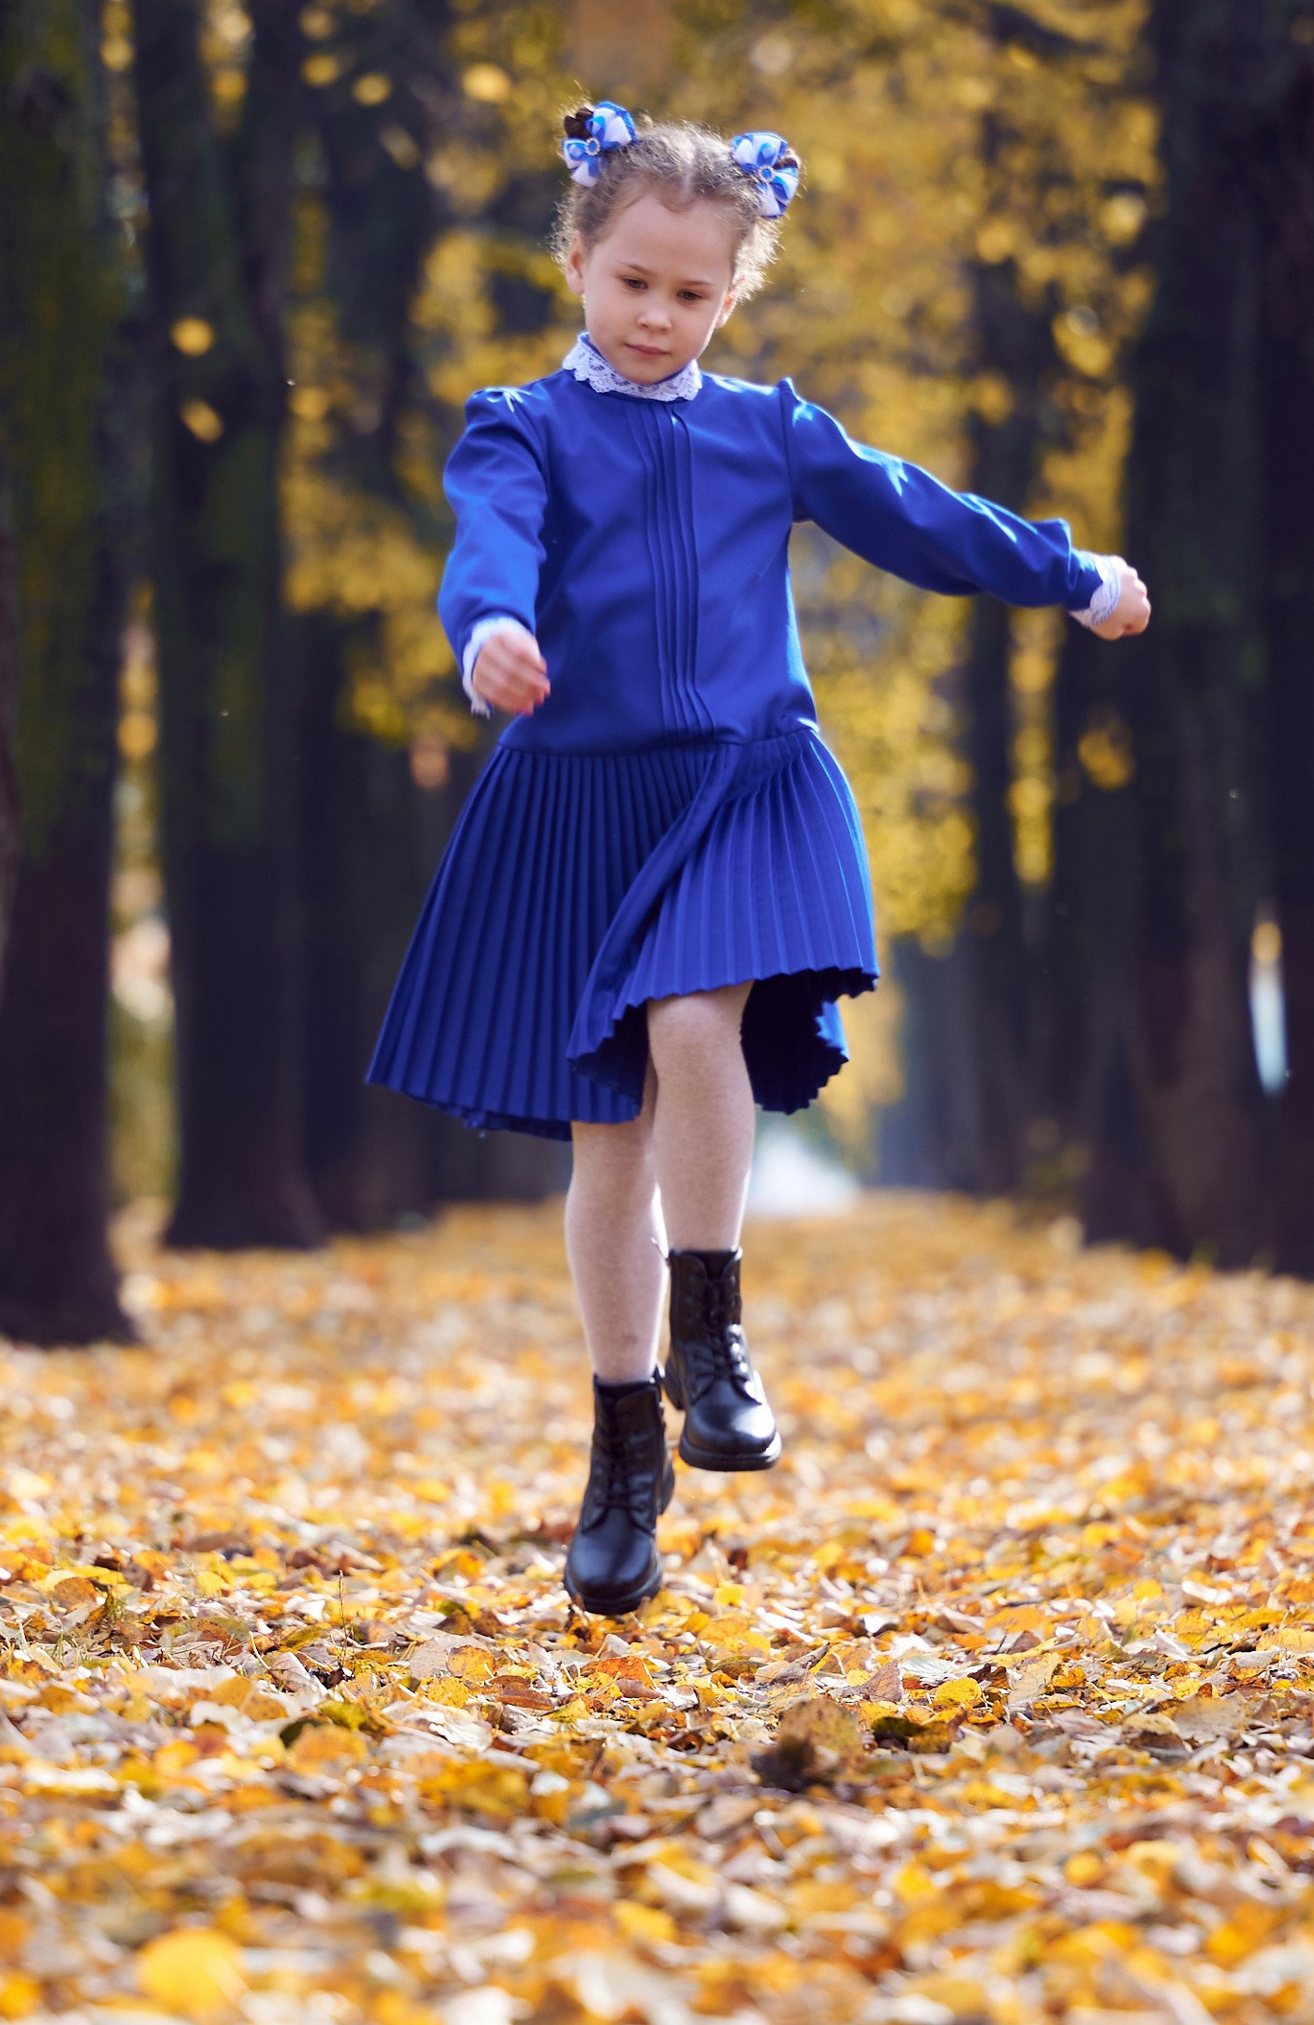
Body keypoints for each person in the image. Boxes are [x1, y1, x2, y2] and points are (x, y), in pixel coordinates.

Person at [369, 102, 1151, 1616]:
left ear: (733, 295)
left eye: (691, 293)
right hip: (584, 803)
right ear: (579, 261)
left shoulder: (768, 429)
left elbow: (923, 518)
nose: (658, 317)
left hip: (742, 781)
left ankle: (710, 1333)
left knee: (694, 1019)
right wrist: (491, 633)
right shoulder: (519, 425)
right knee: (607, 1147)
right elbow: (491, 541)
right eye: (633, 283)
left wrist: (1068, 573)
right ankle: (620, 1446)